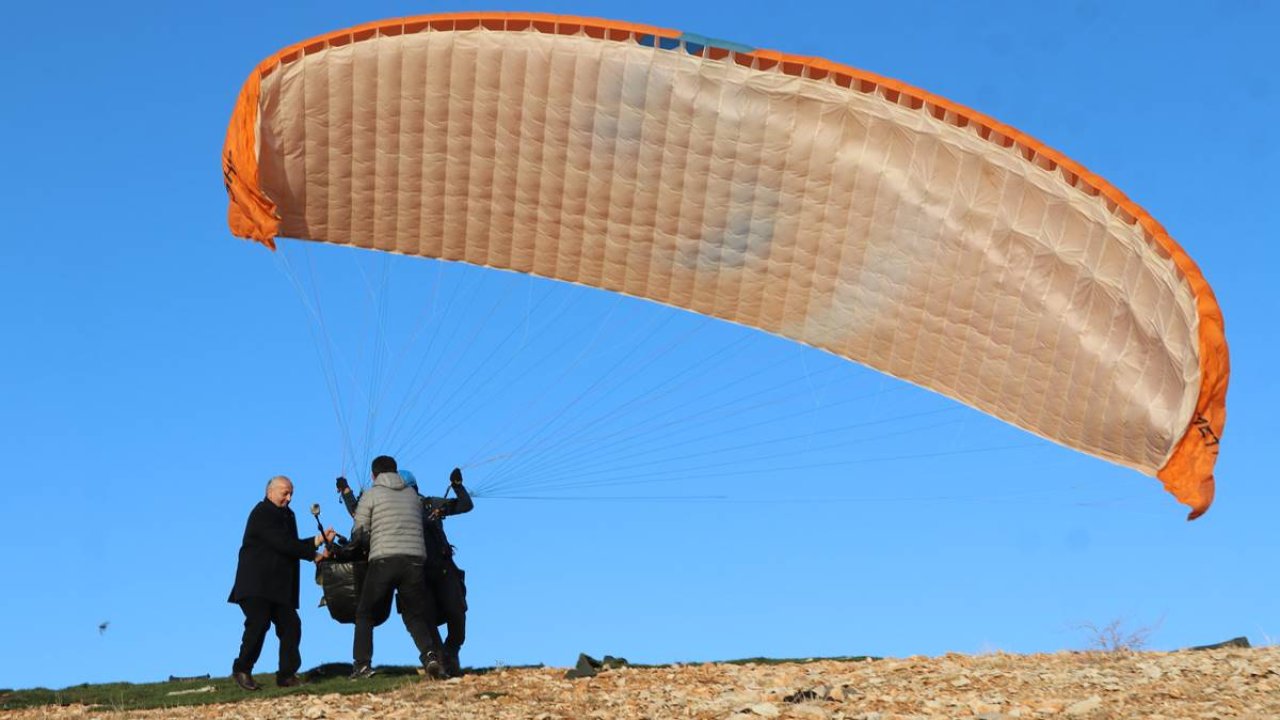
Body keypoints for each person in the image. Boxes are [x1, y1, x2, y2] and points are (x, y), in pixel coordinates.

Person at [228, 475, 335, 691]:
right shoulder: (262, 513)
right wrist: (314, 552)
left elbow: (290, 544)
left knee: (291, 625)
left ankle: (286, 675)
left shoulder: (288, 515)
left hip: (279, 588)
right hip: (256, 584)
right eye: (284, 493)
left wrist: (319, 541)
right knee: (258, 623)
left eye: (291, 493)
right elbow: (282, 543)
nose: (289, 498)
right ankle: (242, 669)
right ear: (270, 491)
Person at [349, 455, 446, 680]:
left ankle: (362, 665)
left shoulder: (371, 495)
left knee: (365, 613)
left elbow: (360, 530)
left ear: (374, 475)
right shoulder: (413, 496)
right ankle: (430, 656)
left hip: (384, 559)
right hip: (414, 561)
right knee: (415, 615)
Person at [404, 467, 473, 678]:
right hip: (419, 573)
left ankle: (451, 650)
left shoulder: (430, 504)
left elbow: (464, 505)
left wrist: (458, 487)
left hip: (443, 568)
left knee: (456, 611)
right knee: (427, 618)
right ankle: (440, 661)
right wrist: (347, 494)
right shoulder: (394, 511)